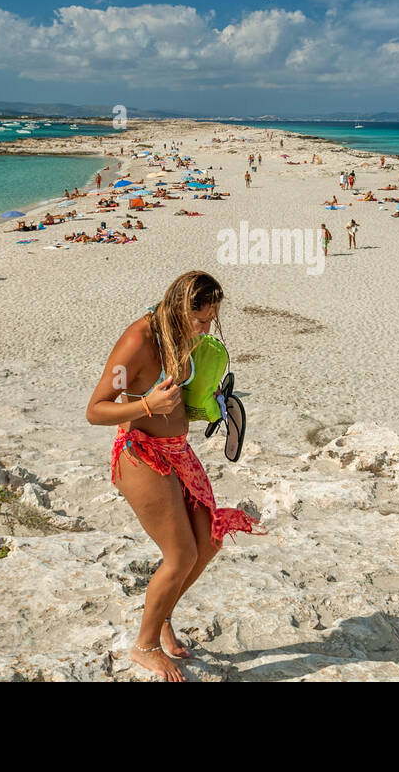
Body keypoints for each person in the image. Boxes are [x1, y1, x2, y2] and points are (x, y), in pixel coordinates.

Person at [84, 272, 263, 682]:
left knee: (210, 538)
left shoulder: (179, 335)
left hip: (178, 452)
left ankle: (161, 615)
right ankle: (145, 645)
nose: (206, 329)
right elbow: (96, 409)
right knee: (180, 554)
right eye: (201, 321)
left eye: (212, 321)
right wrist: (146, 405)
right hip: (141, 454)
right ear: (182, 309)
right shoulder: (138, 341)